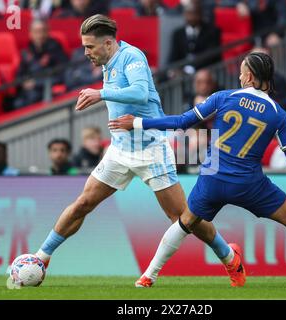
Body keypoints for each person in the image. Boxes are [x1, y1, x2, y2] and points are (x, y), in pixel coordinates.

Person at [22, 15, 238, 288]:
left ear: (109, 43)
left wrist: (100, 93)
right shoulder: (106, 61)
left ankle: (229, 256)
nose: (86, 53)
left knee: (182, 218)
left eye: (90, 47)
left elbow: (138, 92)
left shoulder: (132, 56)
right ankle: (41, 257)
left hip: (151, 149)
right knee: (83, 203)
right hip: (120, 149)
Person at [109, 52, 286, 289]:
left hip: (212, 178)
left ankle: (148, 276)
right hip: (249, 183)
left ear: (249, 76)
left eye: (241, 73)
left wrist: (138, 122)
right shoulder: (278, 114)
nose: (239, 77)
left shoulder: (223, 97)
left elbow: (182, 122)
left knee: (185, 223)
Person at [13, 20, 68, 109]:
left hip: (48, 89)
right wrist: (24, 82)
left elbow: (63, 72)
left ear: (47, 32)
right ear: (30, 34)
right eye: (36, 32)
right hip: (29, 92)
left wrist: (37, 83)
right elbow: (19, 75)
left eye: (42, 31)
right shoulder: (26, 52)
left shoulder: (55, 48)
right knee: (17, 103)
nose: (39, 35)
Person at [168, 2, 221, 76]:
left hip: (204, 70)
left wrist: (191, 70)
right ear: (185, 15)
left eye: (195, 14)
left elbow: (210, 57)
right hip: (181, 70)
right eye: (189, 14)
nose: (191, 17)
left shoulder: (212, 32)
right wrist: (175, 69)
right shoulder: (177, 33)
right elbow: (173, 56)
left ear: (201, 14)